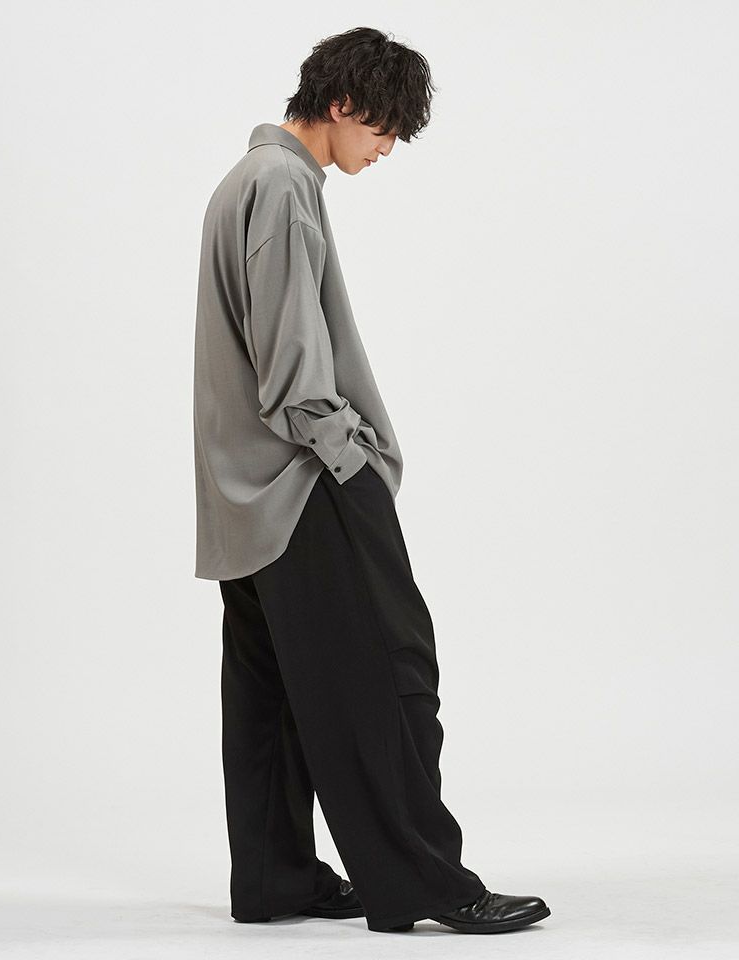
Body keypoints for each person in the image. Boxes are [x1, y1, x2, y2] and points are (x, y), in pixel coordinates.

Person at [192, 26, 551, 935]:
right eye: (384, 127)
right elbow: (290, 370)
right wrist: (351, 456)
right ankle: (427, 884)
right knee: (392, 676)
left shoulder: (245, 180)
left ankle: (276, 880)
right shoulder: (281, 188)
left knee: (273, 694)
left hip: (242, 496)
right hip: (304, 481)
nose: (387, 148)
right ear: (342, 104)